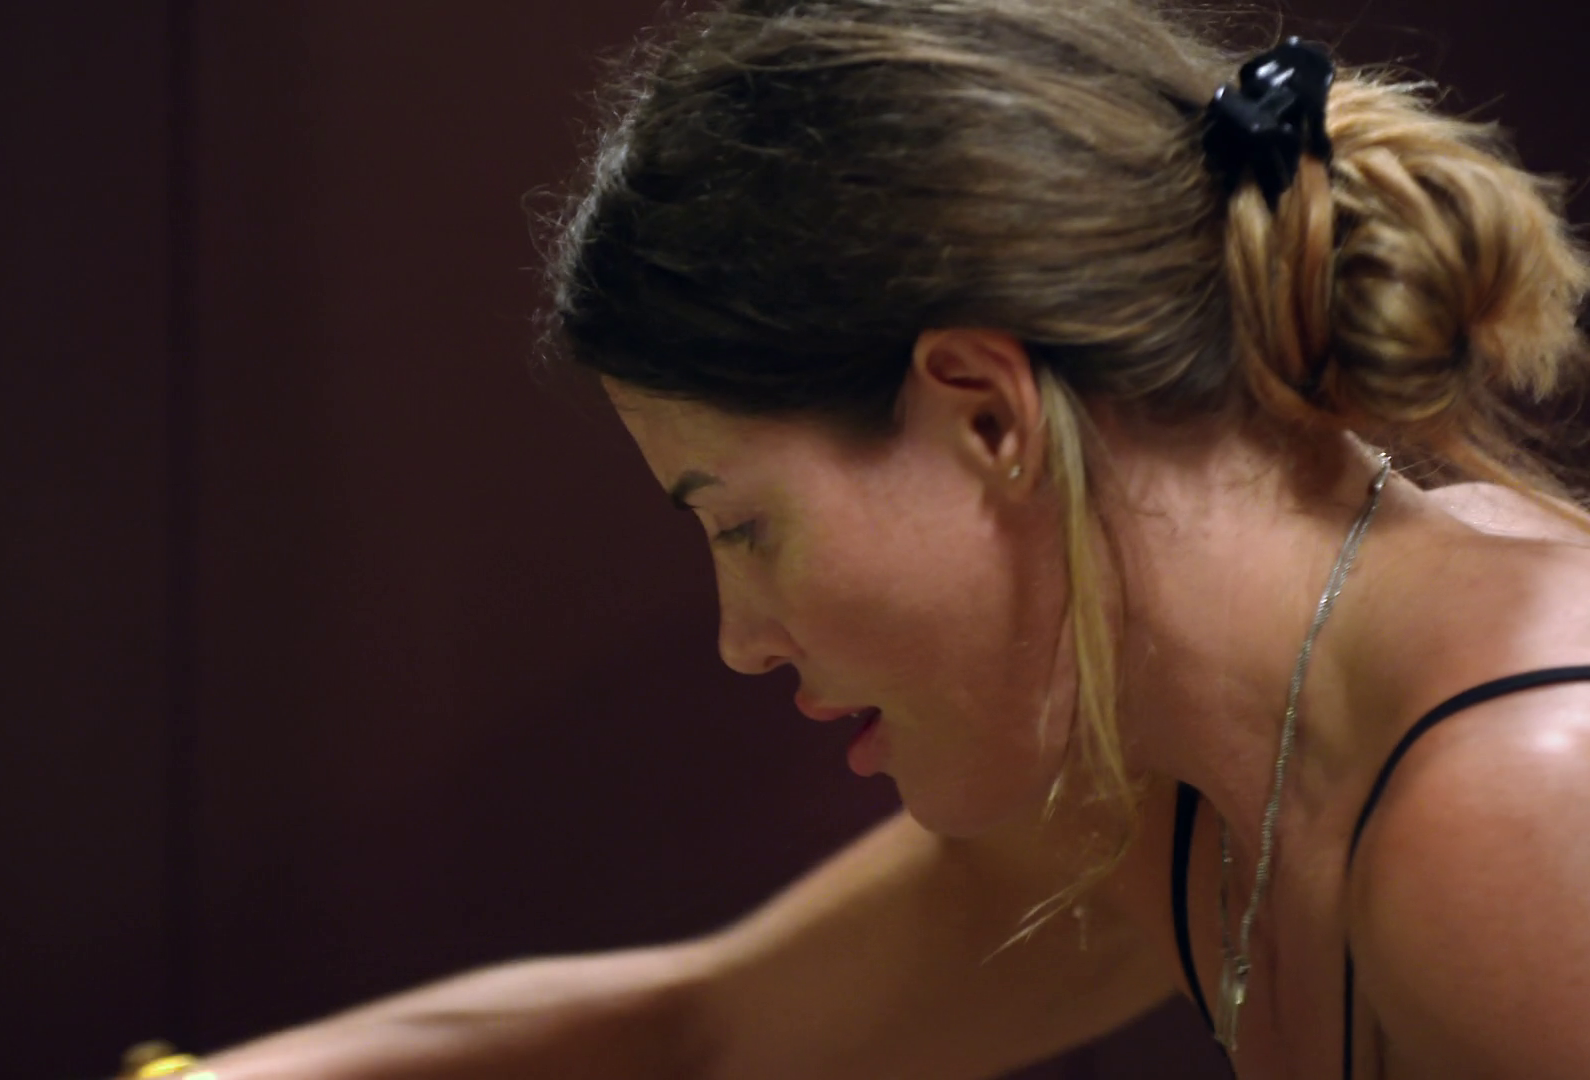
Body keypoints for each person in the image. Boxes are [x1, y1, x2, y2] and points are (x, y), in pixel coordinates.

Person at [145, 1, 1590, 1076]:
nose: (741, 637)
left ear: (986, 415)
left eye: (744, 525)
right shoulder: (1188, 774)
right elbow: (707, 1030)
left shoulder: (1514, 805)